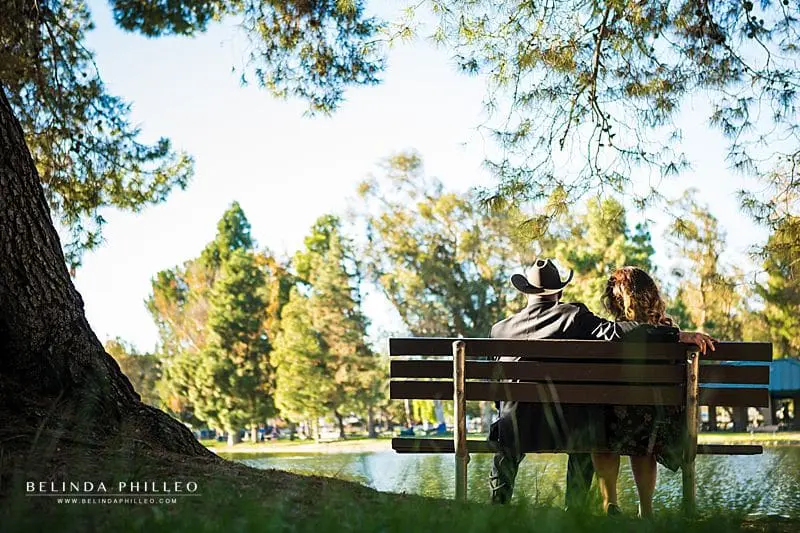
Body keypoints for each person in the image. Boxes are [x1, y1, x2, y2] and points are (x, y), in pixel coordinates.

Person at [488, 259, 715, 512]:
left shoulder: (499, 330)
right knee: (586, 432)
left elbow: (496, 390)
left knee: (508, 425)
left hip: (514, 428)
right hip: (566, 429)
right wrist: (676, 335)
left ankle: (498, 506)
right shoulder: (573, 316)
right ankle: (574, 510)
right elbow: (618, 332)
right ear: (559, 292)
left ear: (526, 292)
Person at [591, 266, 716, 518]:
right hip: (654, 426)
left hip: (611, 422)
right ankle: (646, 510)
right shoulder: (673, 335)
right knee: (644, 437)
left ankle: (610, 504)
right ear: (650, 295)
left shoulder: (608, 334)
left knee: (604, 435)